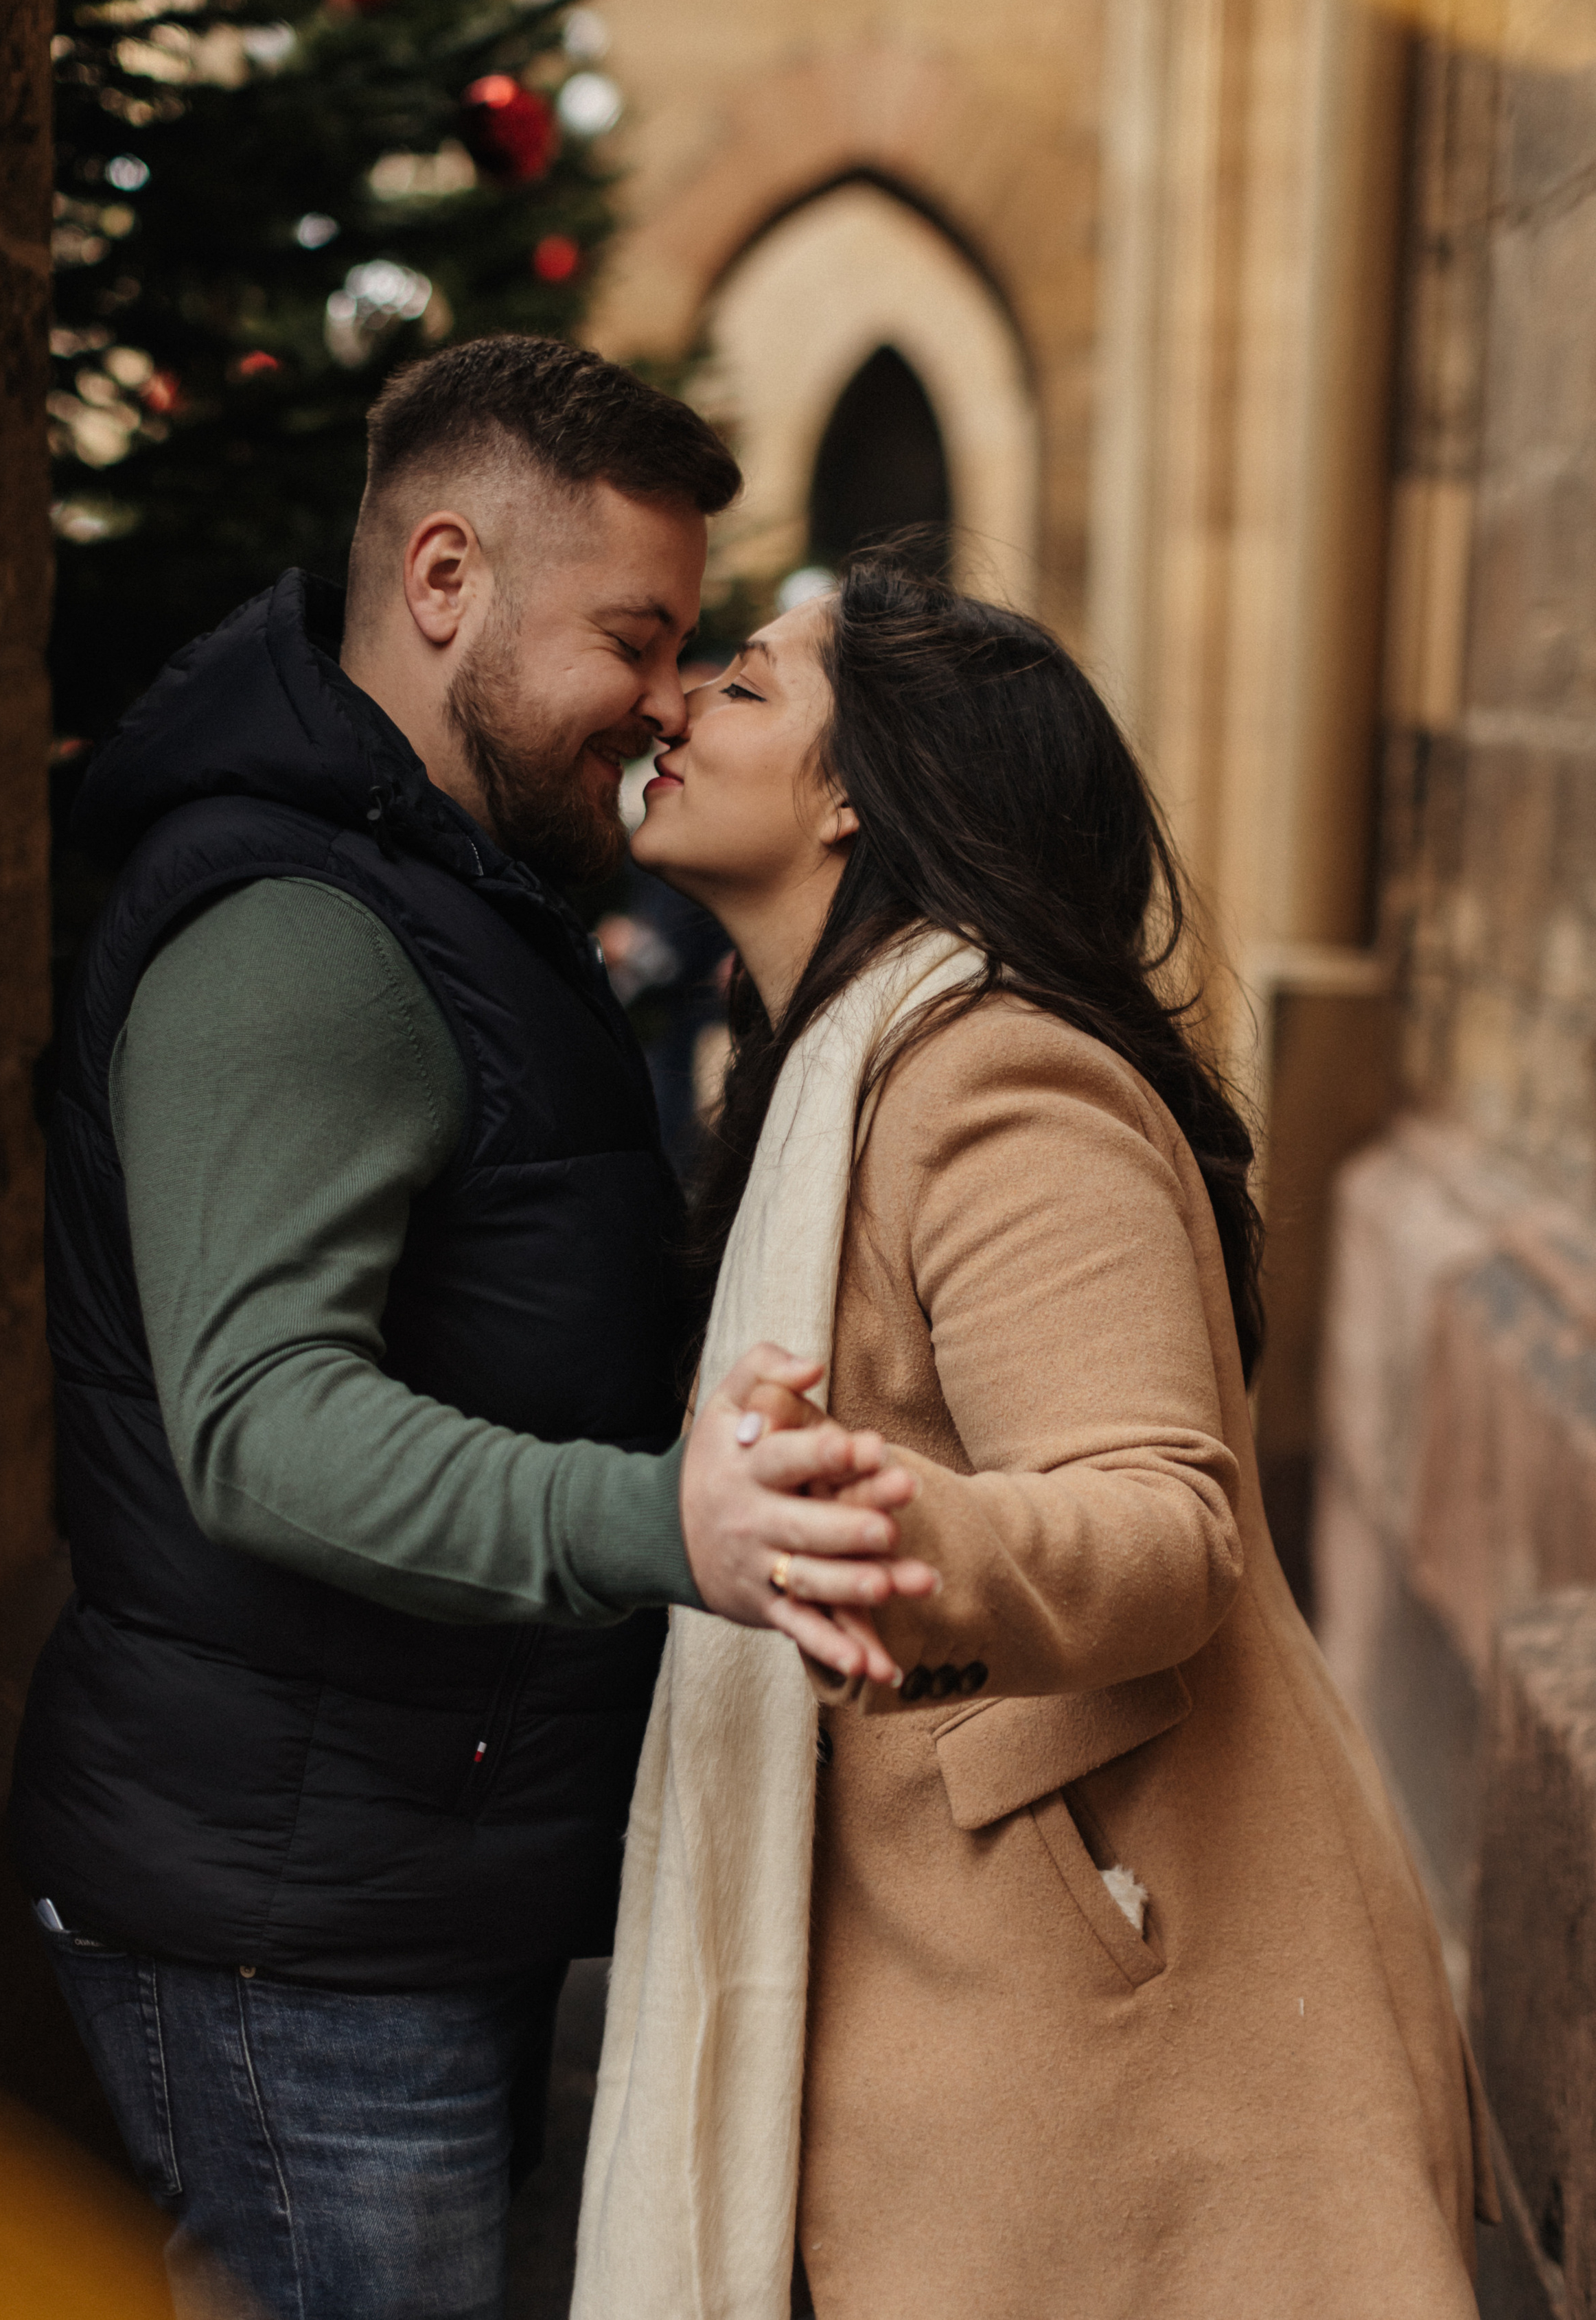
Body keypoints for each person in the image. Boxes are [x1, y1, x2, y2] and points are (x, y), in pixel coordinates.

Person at [8, 339, 934, 2320]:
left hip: (394, 1886)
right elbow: (260, 1424)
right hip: (293, 1947)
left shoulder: (456, 892)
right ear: (445, 582)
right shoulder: (296, 931)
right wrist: (667, 1529)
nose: (671, 700)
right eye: (635, 633)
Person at [574, 552, 1496, 2320]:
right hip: (958, 1976)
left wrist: (901, 1535)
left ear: (858, 799)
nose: (678, 701)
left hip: (1083, 2017)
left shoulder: (990, 1080)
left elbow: (1163, 1523)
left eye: (748, 685)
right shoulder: (836, 1066)